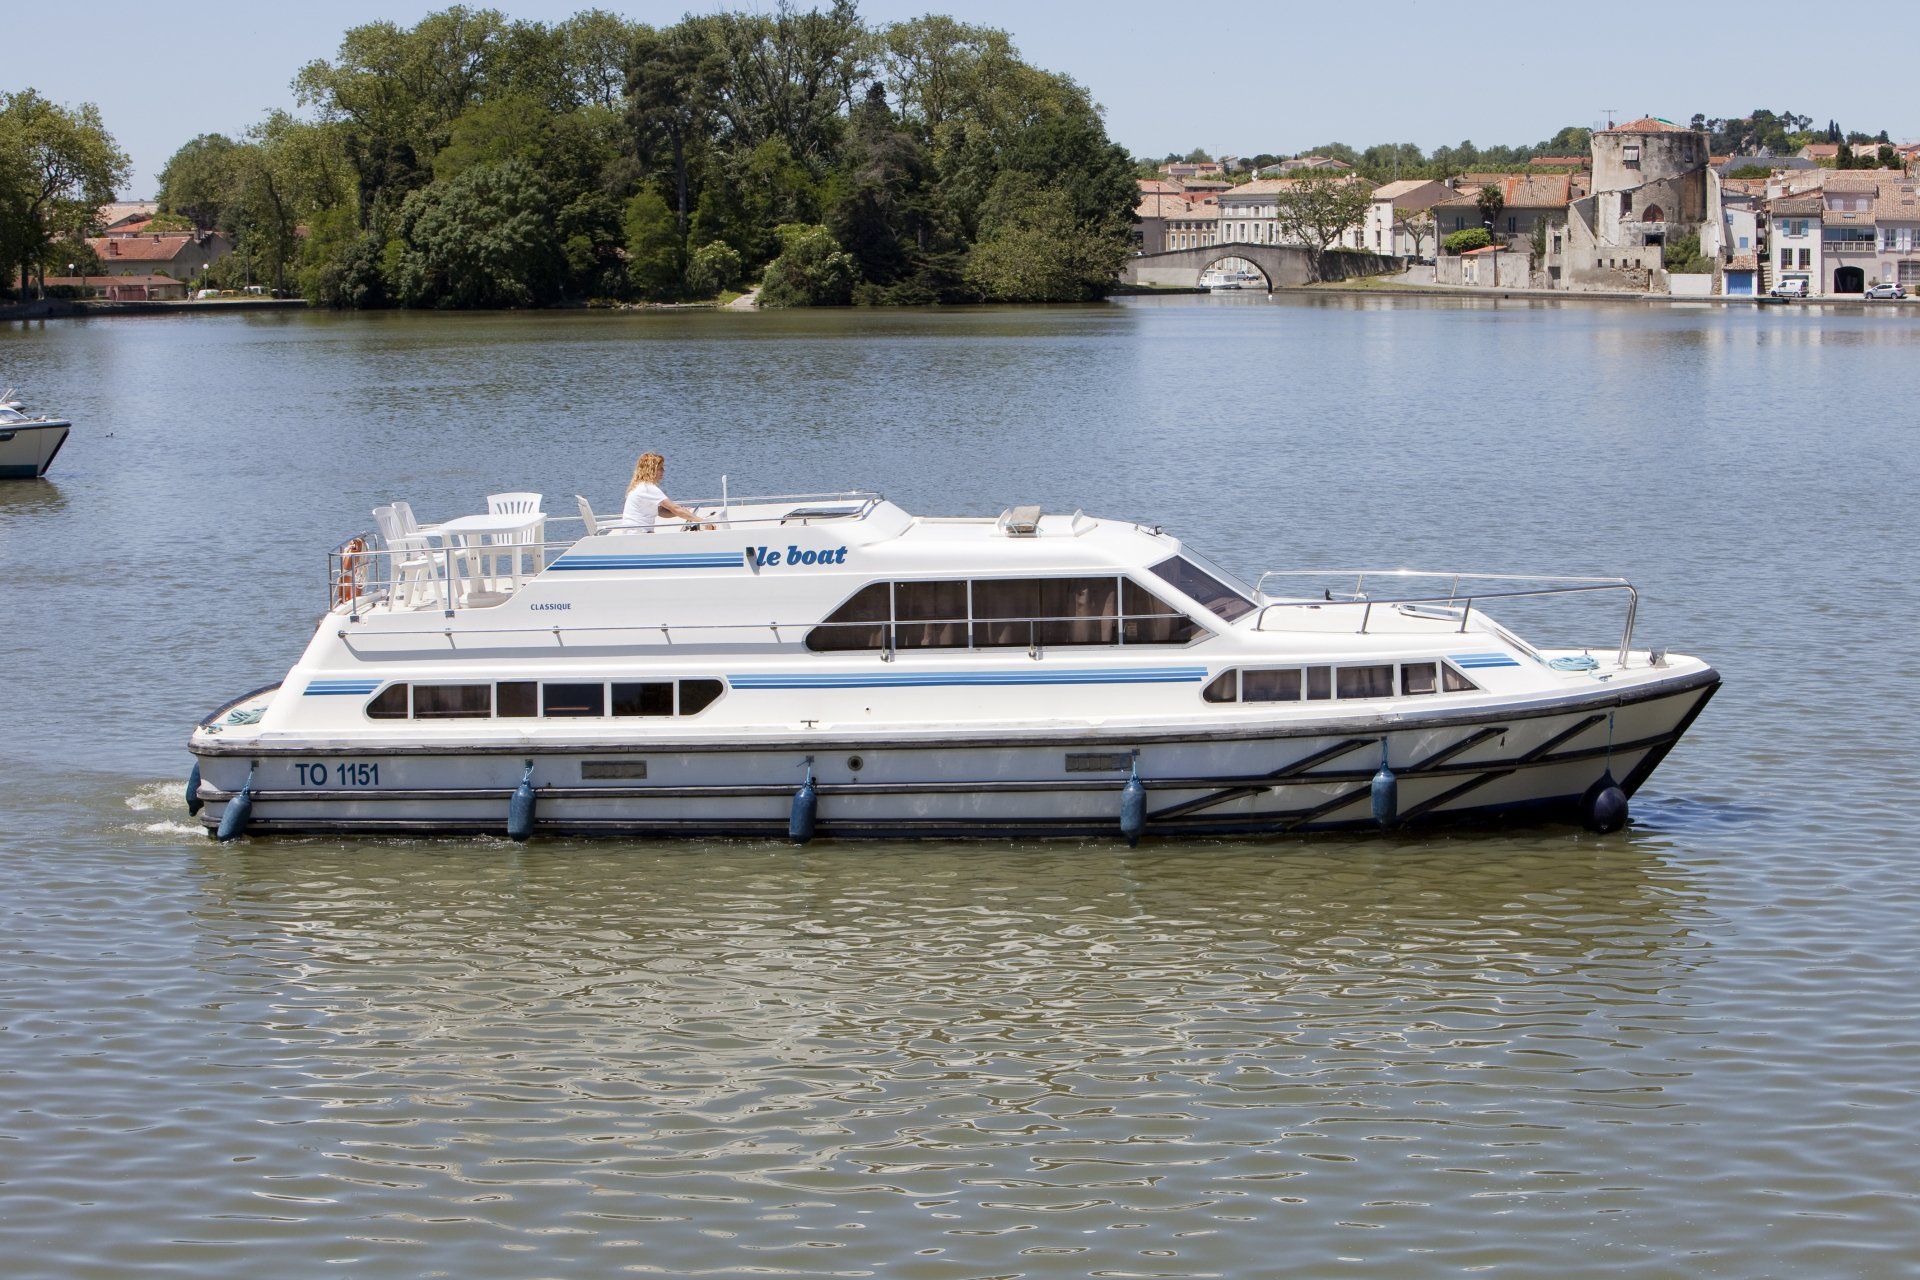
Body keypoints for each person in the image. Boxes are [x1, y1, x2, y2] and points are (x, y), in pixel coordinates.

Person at [616, 452, 709, 532]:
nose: (663, 471)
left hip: (634, 533)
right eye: (660, 468)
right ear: (651, 470)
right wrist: (702, 522)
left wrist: (684, 512)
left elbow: (660, 511)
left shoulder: (640, 486)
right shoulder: (648, 488)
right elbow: (675, 508)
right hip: (640, 534)